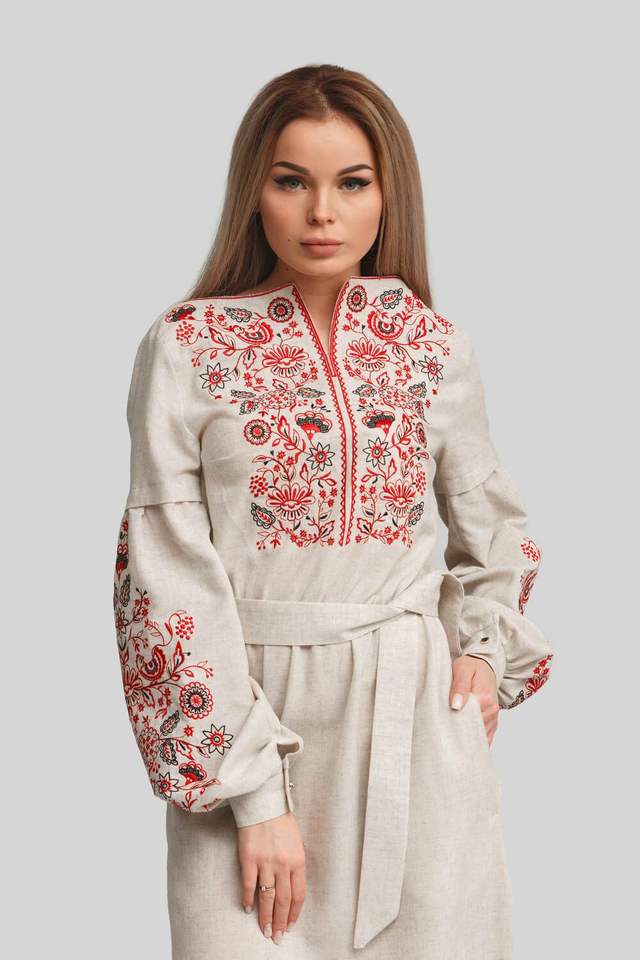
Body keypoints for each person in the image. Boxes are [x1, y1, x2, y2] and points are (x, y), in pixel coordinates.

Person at [112, 63, 553, 959]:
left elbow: (495, 527)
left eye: (352, 183)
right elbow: (164, 578)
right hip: (248, 722)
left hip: (414, 731)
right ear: (254, 191)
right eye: (292, 181)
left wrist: (481, 651)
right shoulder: (189, 346)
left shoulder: (432, 347)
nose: (322, 213)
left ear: (388, 194)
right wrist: (254, 797)